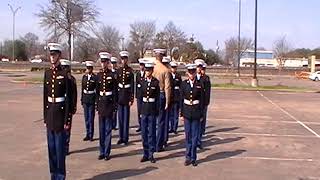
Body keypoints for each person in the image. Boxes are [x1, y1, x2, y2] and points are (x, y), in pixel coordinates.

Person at [43, 43, 71, 180]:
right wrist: (45, 117)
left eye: (54, 55)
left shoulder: (64, 74)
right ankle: (53, 175)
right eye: (51, 54)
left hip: (60, 116)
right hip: (50, 115)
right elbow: (45, 97)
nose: (52, 57)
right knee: (51, 149)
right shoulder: (47, 73)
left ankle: (60, 175)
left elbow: (68, 100)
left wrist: (67, 120)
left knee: (59, 150)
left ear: (59, 55)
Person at [180, 63, 205, 167]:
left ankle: (194, 157)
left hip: (196, 112)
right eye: (189, 72)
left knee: (194, 136)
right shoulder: (184, 84)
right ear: (187, 73)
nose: (191, 74)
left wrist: (201, 114)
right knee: (188, 136)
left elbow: (202, 101)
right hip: (186, 111)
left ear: (195, 73)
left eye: (193, 72)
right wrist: (181, 113)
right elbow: (181, 99)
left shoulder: (199, 84)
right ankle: (188, 156)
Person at [96, 52, 118, 161]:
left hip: (109, 104)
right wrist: (97, 105)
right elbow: (97, 92)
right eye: (102, 62)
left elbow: (115, 92)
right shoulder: (98, 75)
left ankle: (107, 152)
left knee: (108, 130)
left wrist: (114, 106)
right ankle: (101, 151)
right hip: (101, 104)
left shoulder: (112, 76)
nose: (103, 64)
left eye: (105, 62)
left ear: (108, 63)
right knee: (101, 130)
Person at [139, 60, 159, 164]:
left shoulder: (156, 82)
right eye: (146, 70)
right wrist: (140, 111)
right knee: (144, 133)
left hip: (151, 110)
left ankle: (151, 154)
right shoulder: (142, 82)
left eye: (149, 70)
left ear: (152, 71)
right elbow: (140, 98)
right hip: (144, 109)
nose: (147, 72)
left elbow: (157, 99)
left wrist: (156, 112)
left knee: (151, 133)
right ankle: (145, 153)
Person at [152, 48, 172, 152]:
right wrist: (168, 101)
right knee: (160, 121)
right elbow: (167, 87)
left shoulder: (151, 67)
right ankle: (158, 145)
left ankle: (151, 143)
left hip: (151, 96)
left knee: (152, 121)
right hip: (160, 95)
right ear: (162, 56)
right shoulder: (165, 70)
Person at [117, 51, 134, 145]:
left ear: (127, 59)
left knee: (126, 118)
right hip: (120, 96)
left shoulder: (130, 71)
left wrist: (131, 98)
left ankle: (125, 137)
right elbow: (116, 86)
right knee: (120, 118)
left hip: (126, 96)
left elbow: (132, 85)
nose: (123, 61)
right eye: (122, 59)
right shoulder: (118, 71)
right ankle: (121, 137)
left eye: (125, 59)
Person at [60, 59, 77, 156]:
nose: (64, 70)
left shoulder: (72, 79)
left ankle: (66, 146)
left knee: (67, 128)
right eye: (63, 68)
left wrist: (74, 106)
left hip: (69, 107)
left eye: (66, 68)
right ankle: (61, 145)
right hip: (60, 106)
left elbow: (74, 94)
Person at [194, 61, 211, 149]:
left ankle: (199, 141)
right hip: (194, 104)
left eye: (200, 67)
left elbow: (207, 92)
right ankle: (194, 140)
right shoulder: (193, 77)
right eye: (197, 67)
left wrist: (206, 102)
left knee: (201, 122)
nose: (199, 69)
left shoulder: (205, 78)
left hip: (202, 103)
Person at [81, 61, 97, 142]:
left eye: (90, 68)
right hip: (85, 99)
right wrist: (82, 99)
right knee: (86, 118)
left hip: (91, 99)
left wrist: (96, 101)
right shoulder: (84, 77)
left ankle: (91, 134)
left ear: (92, 69)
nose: (88, 70)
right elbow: (82, 89)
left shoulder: (95, 78)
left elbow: (96, 90)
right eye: (87, 68)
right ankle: (87, 133)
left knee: (91, 118)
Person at [168, 61, 182, 134]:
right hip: (171, 96)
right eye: (172, 67)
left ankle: (175, 128)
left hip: (176, 96)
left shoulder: (178, 76)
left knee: (176, 113)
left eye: (175, 67)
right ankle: (170, 127)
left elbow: (180, 86)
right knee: (170, 113)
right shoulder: (169, 75)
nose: (173, 69)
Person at [135, 59, 146, 133]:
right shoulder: (138, 74)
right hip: (139, 95)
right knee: (139, 111)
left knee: (144, 110)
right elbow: (136, 85)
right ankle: (140, 125)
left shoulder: (146, 73)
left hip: (145, 95)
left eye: (142, 65)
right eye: (140, 65)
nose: (141, 66)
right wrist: (136, 95)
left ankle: (144, 125)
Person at [110, 57, 119, 130]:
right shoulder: (109, 73)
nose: (113, 65)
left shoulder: (117, 73)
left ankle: (114, 124)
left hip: (116, 92)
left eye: (114, 63)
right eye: (112, 63)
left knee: (115, 109)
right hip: (110, 93)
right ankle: (110, 123)